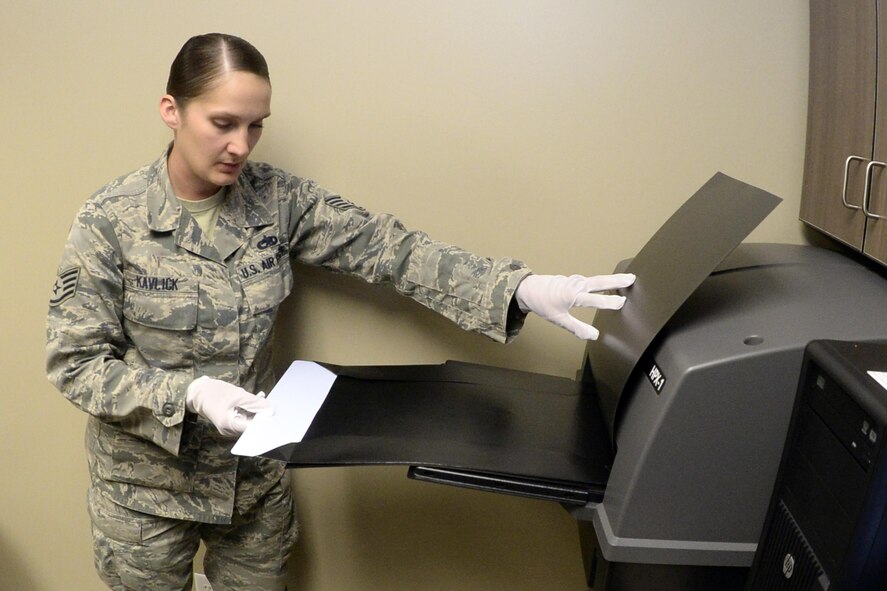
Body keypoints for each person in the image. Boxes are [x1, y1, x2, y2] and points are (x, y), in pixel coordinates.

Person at [45, 33, 635, 591]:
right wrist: (191, 395)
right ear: (171, 110)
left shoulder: (275, 201)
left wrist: (517, 287)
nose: (241, 146)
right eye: (223, 123)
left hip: (252, 484)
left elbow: (391, 250)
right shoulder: (109, 221)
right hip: (145, 494)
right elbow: (76, 363)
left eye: (256, 126)